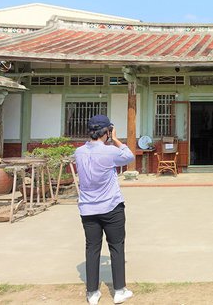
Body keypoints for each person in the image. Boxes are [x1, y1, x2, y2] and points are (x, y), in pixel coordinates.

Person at [75, 115, 135, 305]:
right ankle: (119, 290)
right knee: (116, 246)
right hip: (111, 206)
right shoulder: (110, 152)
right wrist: (117, 140)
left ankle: (92, 293)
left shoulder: (79, 152)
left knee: (92, 248)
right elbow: (129, 156)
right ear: (106, 132)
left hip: (87, 208)